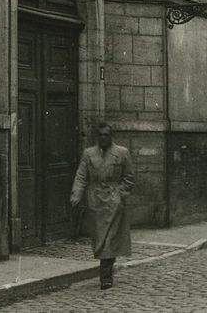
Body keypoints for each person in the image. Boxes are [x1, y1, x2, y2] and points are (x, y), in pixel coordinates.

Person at [70, 122, 135, 290]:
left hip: (114, 201)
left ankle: (105, 277)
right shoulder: (89, 154)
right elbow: (81, 176)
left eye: (107, 135)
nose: (103, 138)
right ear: (97, 136)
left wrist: (119, 193)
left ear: (111, 136)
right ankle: (107, 269)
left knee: (109, 239)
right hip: (95, 201)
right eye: (101, 135)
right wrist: (76, 195)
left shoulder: (122, 153)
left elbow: (129, 176)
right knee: (100, 239)